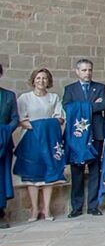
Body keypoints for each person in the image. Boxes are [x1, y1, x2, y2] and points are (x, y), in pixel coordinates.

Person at [14, 68, 64, 222]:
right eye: (38, 78)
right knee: (32, 174)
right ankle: (35, 209)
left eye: (44, 78)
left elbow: (60, 118)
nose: (41, 81)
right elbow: (20, 119)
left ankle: (46, 208)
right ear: (33, 80)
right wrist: (39, 127)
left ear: (48, 81)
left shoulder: (53, 97)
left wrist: (44, 127)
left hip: (49, 139)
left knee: (48, 172)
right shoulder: (25, 98)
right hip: (31, 138)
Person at [62, 58, 105, 217]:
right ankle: (76, 207)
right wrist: (91, 106)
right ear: (77, 72)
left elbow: (103, 105)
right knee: (77, 171)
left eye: (89, 70)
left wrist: (81, 107)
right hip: (78, 136)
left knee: (95, 170)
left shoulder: (100, 87)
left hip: (96, 134)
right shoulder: (70, 89)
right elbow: (67, 107)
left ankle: (93, 206)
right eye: (84, 70)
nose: (87, 73)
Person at [0, 63, 18, 228]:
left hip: (3, 143)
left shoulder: (8, 96)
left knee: (2, 178)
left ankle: (0, 213)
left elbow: (14, 118)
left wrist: (4, 131)